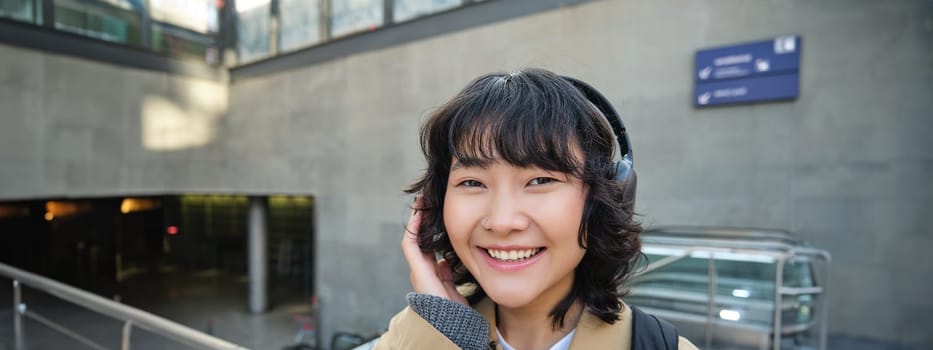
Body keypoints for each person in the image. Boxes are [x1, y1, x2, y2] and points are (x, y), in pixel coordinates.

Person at [374, 68, 697, 350]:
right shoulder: (411, 335)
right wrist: (445, 331)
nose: (502, 221)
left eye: (540, 180)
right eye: (472, 183)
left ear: (602, 199)